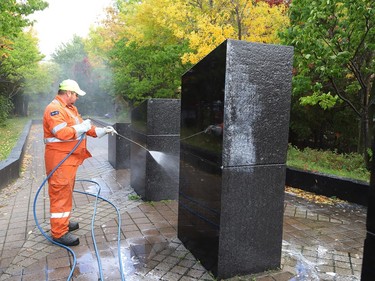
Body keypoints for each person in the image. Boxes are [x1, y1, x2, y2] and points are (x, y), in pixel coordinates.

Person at [43, 79, 116, 246]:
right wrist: (82, 128)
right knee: (60, 194)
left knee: (66, 191)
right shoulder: (54, 109)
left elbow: (85, 128)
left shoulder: (70, 109)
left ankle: (64, 222)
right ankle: (59, 233)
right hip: (59, 159)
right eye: (76, 94)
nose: (77, 97)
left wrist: (102, 131)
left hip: (69, 159)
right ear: (68, 93)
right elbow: (62, 133)